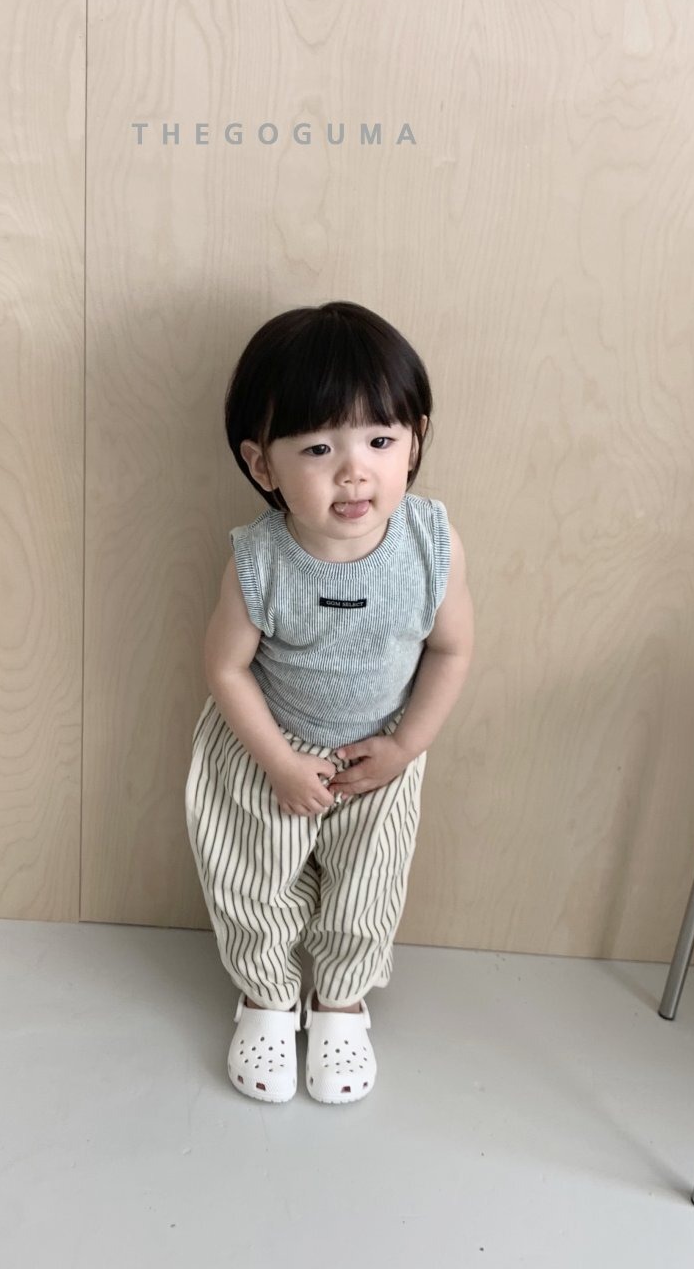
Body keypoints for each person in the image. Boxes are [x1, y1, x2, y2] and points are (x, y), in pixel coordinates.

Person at [185, 301, 475, 1105]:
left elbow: (451, 650)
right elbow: (226, 669)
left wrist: (406, 747)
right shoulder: (259, 560)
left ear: (416, 439)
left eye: (380, 441)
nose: (354, 472)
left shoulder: (432, 544)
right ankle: (266, 996)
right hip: (266, 747)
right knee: (252, 879)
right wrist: (278, 762)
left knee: (366, 887)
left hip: (380, 752)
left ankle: (341, 1001)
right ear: (263, 464)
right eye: (318, 448)